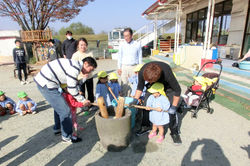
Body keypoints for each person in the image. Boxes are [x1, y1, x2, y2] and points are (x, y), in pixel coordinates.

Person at [34, 57, 97, 143]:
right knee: (65, 110)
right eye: (91, 69)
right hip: (47, 83)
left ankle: (58, 128)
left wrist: (83, 80)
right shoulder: (75, 68)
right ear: (86, 63)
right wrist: (83, 100)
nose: (90, 72)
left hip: (48, 81)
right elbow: (71, 89)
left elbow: (72, 83)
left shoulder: (74, 65)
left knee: (59, 107)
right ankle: (67, 137)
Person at [131, 61, 182, 144]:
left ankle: (174, 132)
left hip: (168, 86)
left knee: (171, 110)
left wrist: (174, 107)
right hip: (154, 86)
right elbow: (140, 87)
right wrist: (135, 100)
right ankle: (146, 126)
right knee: (146, 104)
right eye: (147, 81)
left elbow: (177, 90)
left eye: (149, 81)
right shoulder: (142, 72)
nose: (148, 83)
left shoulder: (167, 73)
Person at [117, 28, 142, 96]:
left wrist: (139, 68)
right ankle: (123, 101)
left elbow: (140, 56)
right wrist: (119, 68)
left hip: (134, 67)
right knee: (124, 84)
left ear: (131, 35)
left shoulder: (137, 44)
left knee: (133, 84)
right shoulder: (122, 44)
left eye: (127, 36)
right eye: (124, 36)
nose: (126, 38)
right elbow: (119, 56)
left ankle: (131, 101)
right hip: (124, 67)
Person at [71, 38, 95, 107]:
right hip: (80, 78)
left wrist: (89, 72)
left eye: (84, 45)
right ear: (78, 46)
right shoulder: (75, 55)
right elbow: (73, 67)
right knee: (82, 92)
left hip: (89, 76)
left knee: (90, 92)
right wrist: (81, 74)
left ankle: (91, 105)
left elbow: (93, 65)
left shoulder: (90, 53)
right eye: (81, 45)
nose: (83, 46)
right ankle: (83, 106)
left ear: (86, 45)